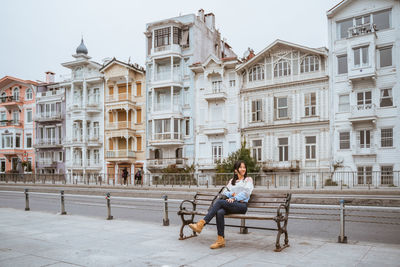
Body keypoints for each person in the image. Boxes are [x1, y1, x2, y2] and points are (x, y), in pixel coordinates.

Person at [189, 160, 254, 249]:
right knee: (219, 212)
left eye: (244, 167)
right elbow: (225, 192)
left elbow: (246, 193)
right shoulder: (232, 181)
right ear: (236, 170)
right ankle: (220, 240)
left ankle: (201, 224)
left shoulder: (248, 180)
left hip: (241, 206)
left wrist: (235, 197)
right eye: (241, 167)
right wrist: (231, 194)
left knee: (219, 202)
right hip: (231, 204)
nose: (243, 169)